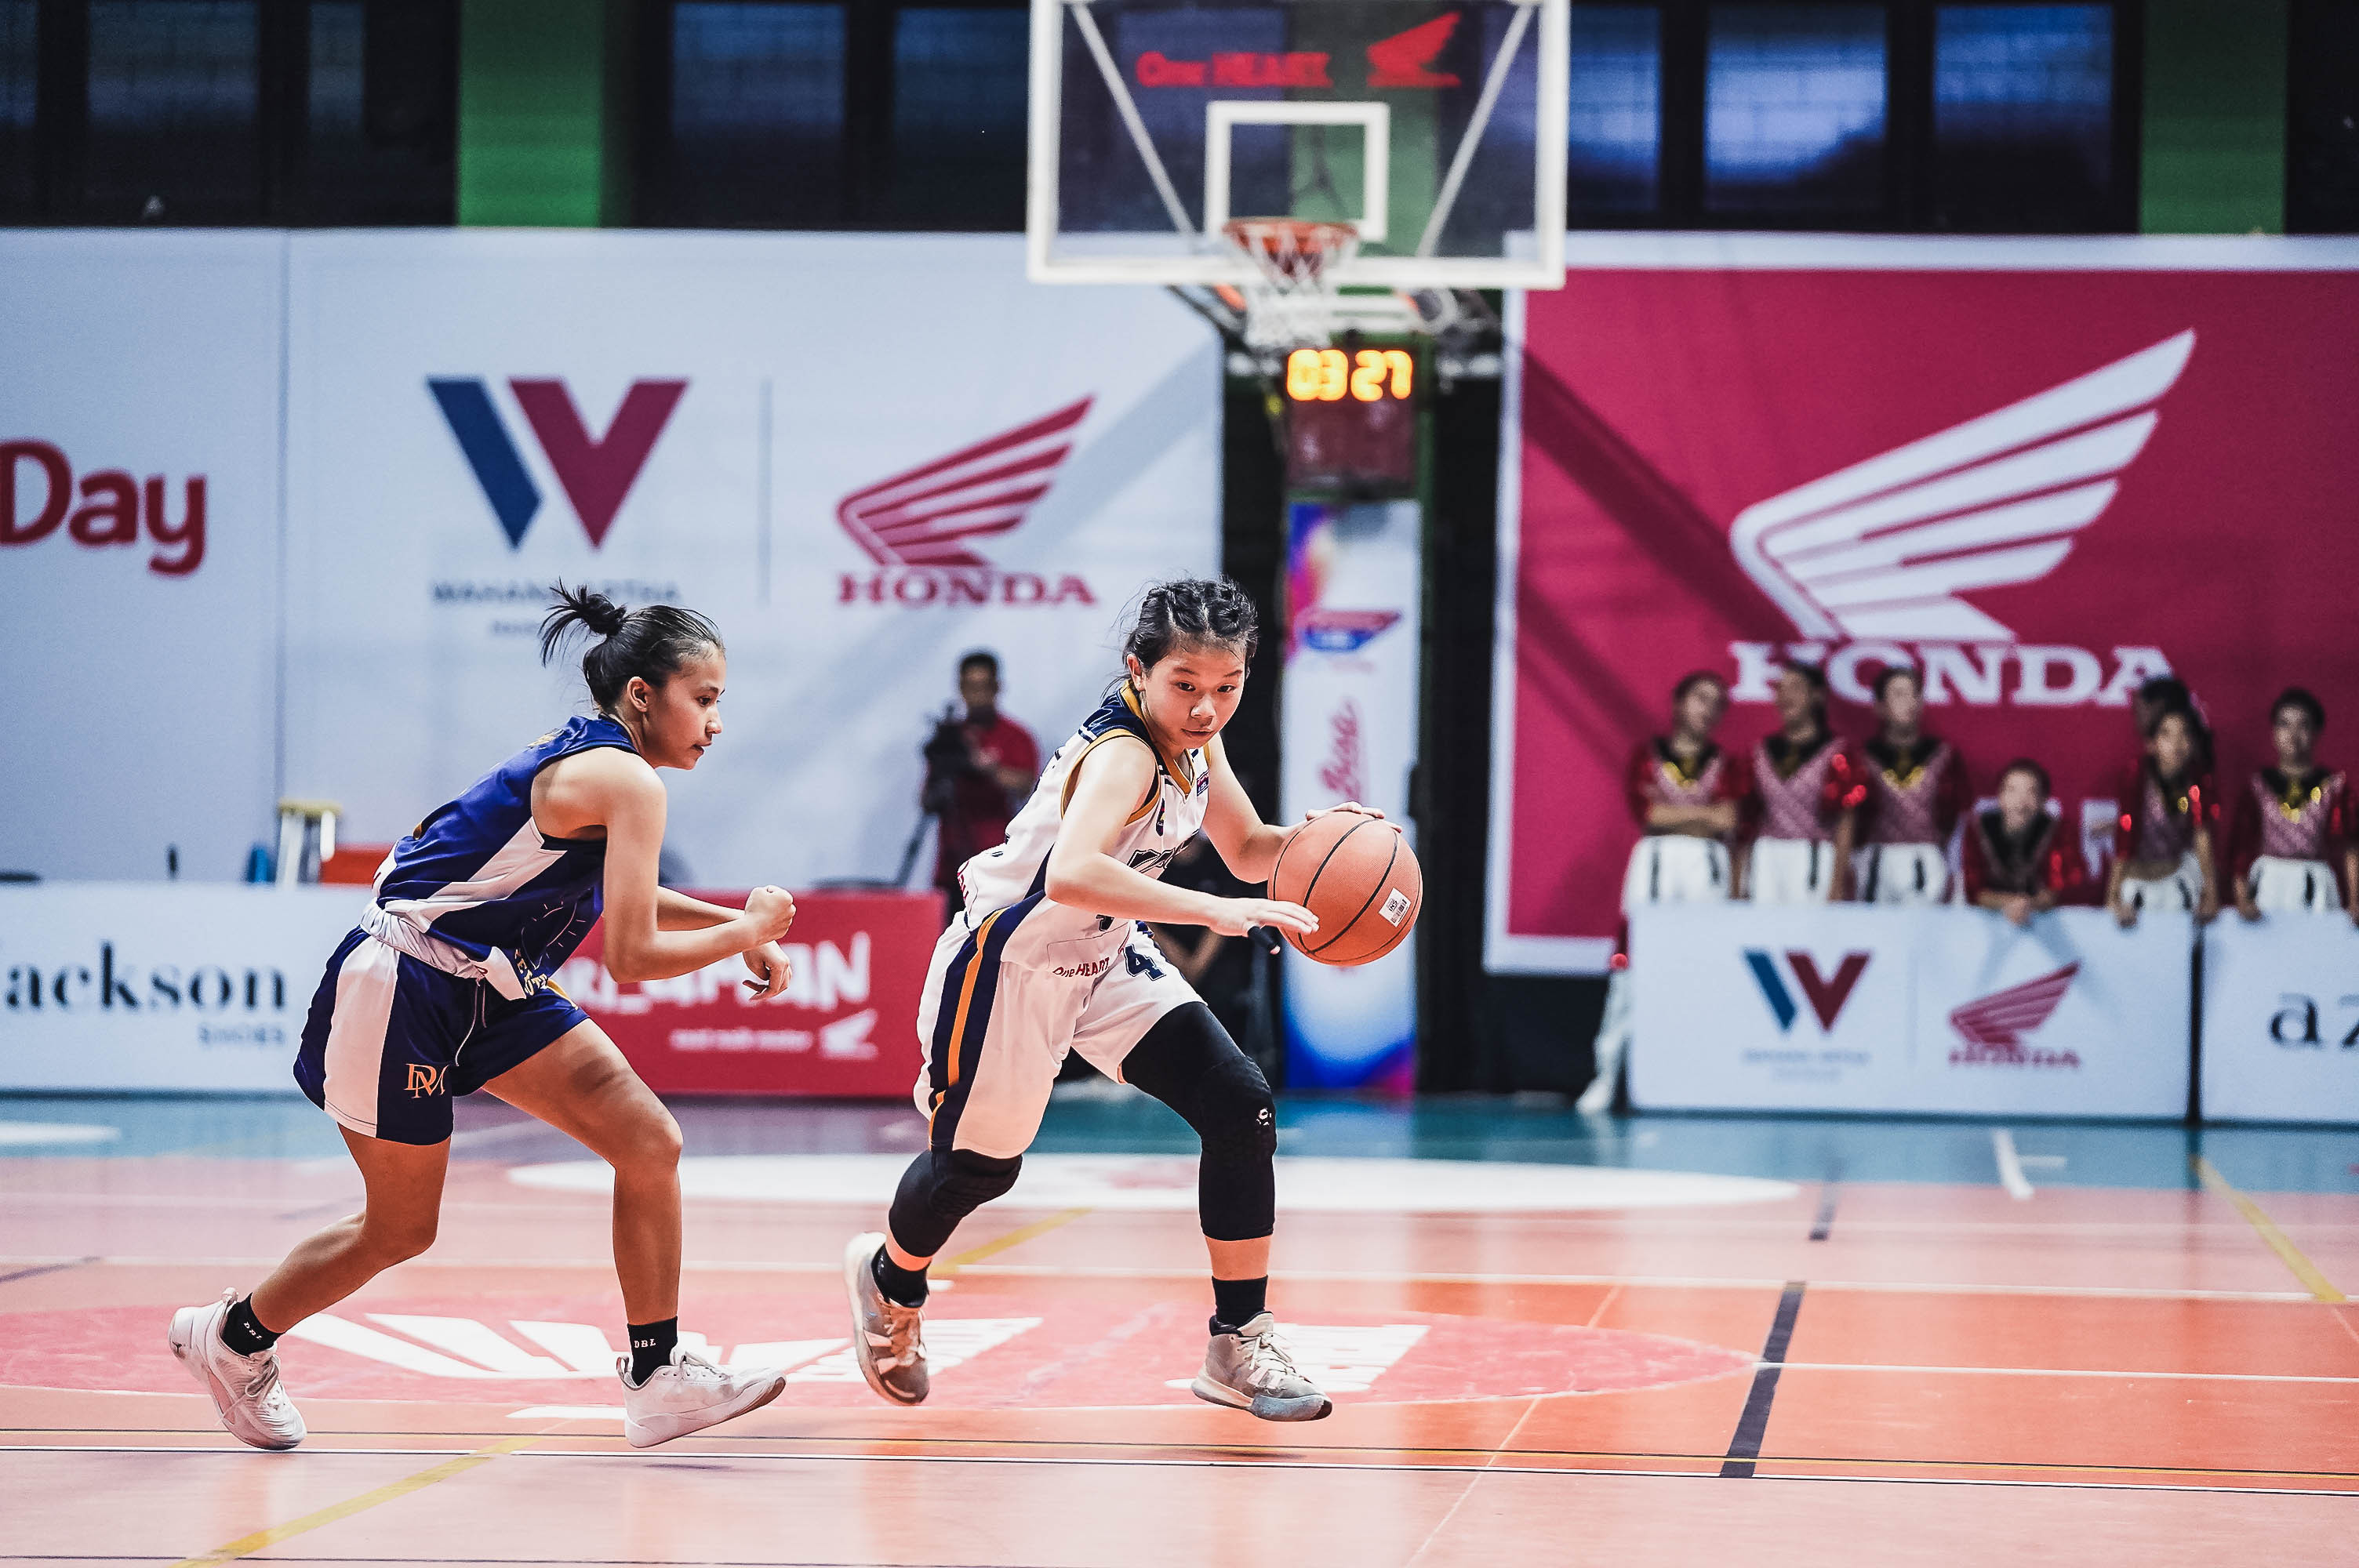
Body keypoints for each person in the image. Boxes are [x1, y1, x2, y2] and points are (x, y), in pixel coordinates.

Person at [168, 586, 797, 1452]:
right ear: (642, 694)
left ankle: (658, 1378)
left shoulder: (610, 767)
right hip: (407, 981)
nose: (717, 722)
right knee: (400, 1229)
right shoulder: (624, 778)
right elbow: (631, 956)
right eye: (706, 698)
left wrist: (731, 929)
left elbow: (618, 891)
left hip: (492, 983)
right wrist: (745, 932)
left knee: (647, 1141)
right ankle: (233, 1337)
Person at [843, 579, 1383, 1423]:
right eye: (1185, 684)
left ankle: (1237, 1342)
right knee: (979, 1169)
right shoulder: (1124, 754)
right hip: (1010, 963)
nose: (1205, 707)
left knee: (1238, 1104)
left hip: (1104, 953)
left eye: (1227, 686)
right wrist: (1211, 911)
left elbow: (1248, 849)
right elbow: (1071, 872)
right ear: (1138, 669)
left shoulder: (1197, 743)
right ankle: (890, 1279)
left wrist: (1327, 844)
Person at [1579, 670, 1750, 1114]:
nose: (1708, 710)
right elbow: (1648, 813)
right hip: (1654, 866)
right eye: (1700, 698)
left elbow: (1729, 819)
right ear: (1678, 703)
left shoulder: (1728, 764)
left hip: (1706, 867)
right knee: (1629, 967)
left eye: (1717, 702)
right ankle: (1607, 1075)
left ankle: (1701, 1078)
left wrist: (1677, 814)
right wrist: (1703, 815)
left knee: (1704, 968)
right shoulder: (1648, 756)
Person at [2226, 687, 2357, 921]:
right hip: (2269, 887)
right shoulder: (2258, 785)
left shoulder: (2334, 786)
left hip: (2316, 887)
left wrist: (2356, 901)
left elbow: (2351, 848)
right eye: (2285, 725)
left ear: (2316, 732)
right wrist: (2243, 899)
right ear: (2274, 732)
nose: (2293, 735)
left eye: (2303, 725)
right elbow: (2240, 848)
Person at [1743, 662, 1864, 903]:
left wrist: (1837, 883)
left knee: (1810, 925)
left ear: (1817, 696)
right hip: (1766, 857)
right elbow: (1747, 821)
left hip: (1813, 856)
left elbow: (1846, 821)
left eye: (1796, 687)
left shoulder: (1836, 752)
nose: (1786, 696)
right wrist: (1742, 878)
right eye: (1781, 688)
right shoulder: (1761, 752)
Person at [929, 651, 1041, 909]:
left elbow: (1025, 786)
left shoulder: (1016, 736)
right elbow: (927, 801)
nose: (977, 695)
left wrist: (987, 768)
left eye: (983, 686)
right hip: (951, 865)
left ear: (997, 687)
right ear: (960, 688)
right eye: (970, 687)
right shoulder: (950, 739)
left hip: (996, 862)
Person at [1853, 666, 1972, 905]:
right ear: (1879, 706)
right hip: (1875, 858)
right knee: (1874, 926)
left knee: (1923, 926)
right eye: (1898, 694)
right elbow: (1850, 819)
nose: (1909, 702)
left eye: (1915, 694)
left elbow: (1957, 819)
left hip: (1926, 858)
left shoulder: (1944, 756)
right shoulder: (1861, 758)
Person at [2108, 703, 2219, 924]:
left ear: (2193, 743)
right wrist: (2113, 895)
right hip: (2138, 882)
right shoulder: (2137, 776)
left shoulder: (2197, 781)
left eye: (2184, 734)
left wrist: (2211, 894)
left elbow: (2202, 836)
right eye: (2167, 735)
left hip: (2176, 879)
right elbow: (2126, 832)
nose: (2177, 743)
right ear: (2152, 744)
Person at [1961, 759, 2091, 924]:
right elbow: (1974, 890)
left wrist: (2029, 905)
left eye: (2031, 792)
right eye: (2012, 790)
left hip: (2046, 923)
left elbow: (2064, 886)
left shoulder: (2058, 831)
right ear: (2000, 796)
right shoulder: (1979, 829)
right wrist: (2009, 903)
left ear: (2044, 800)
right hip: (1988, 923)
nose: (2021, 802)